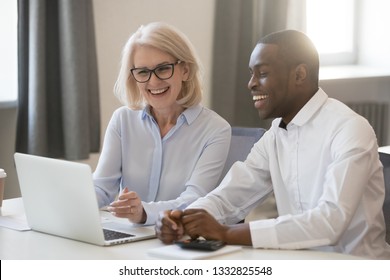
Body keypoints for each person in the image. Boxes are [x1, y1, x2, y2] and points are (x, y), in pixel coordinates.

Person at [156, 30, 390, 259]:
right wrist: (183, 219)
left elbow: (330, 221)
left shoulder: (349, 128)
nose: (251, 84)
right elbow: (231, 196)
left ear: (299, 75)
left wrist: (226, 233)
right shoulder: (275, 134)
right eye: (251, 74)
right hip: (299, 265)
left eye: (262, 73)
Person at [93, 22, 231, 225]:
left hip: (177, 241)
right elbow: (102, 187)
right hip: (129, 236)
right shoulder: (122, 120)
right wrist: (70, 204)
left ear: (185, 70)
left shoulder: (216, 130)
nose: (154, 82)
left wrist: (143, 213)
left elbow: (194, 201)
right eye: (142, 72)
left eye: (163, 69)